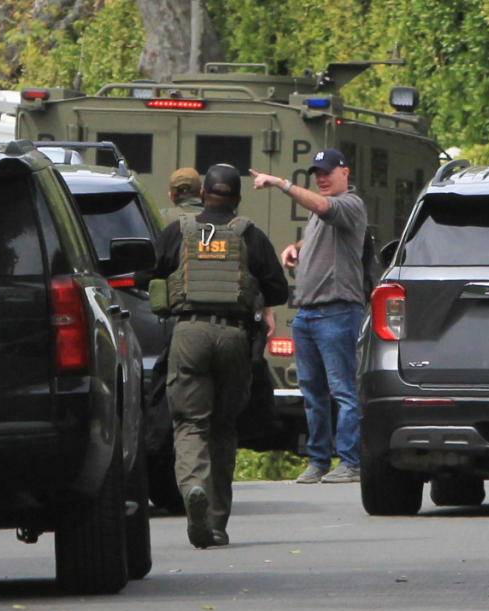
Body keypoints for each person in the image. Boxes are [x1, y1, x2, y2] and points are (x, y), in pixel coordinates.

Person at [151, 164, 288, 548]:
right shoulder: (250, 235)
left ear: (203, 194)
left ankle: (193, 486)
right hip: (234, 336)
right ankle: (215, 521)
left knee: (190, 423)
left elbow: (151, 273)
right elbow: (277, 290)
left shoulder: (179, 231)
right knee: (224, 427)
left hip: (189, 332)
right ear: (237, 199)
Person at [250, 149, 367, 484]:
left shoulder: (350, 204)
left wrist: (281, 184)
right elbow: (321, 224)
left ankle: (351, 462)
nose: (322, 177)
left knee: (343, 390)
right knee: (312, 393)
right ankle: (318, 461)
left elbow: (323, 207)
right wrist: (297, 248)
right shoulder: (323, 212)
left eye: (328, 171)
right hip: (308, 314)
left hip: (338, 312)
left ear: (345, 172)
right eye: (317, 173)